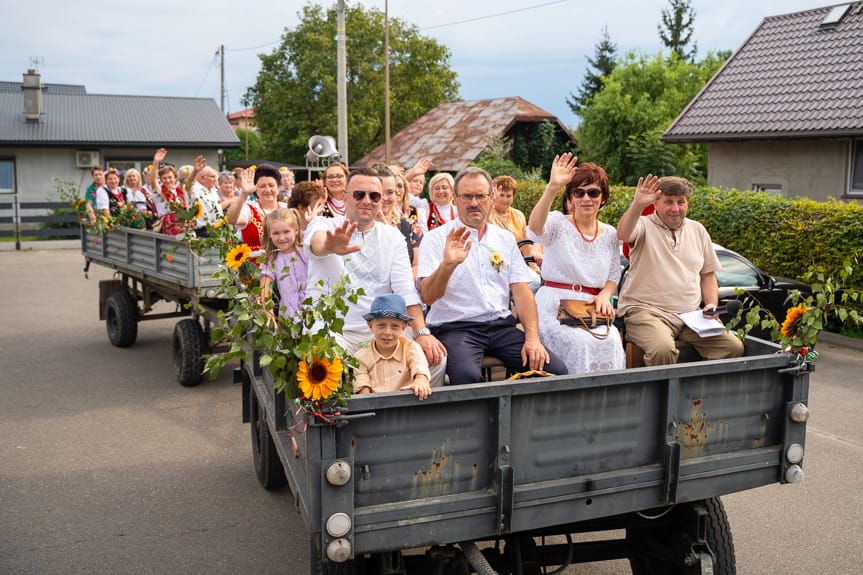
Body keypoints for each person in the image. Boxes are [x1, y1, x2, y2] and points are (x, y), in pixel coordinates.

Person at [417, 167, 567, 384]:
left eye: (480, 196)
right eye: (466, 196)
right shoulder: (436, 239)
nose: (473, 203)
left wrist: (532, 338)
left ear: (491, 198)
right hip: (457, 328)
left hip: (500, 327)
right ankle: (484, 418)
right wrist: (448, 265)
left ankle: (520, 417)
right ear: (455, 199)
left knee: (554, 371)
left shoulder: (504, 239)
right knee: (466, 379)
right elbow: (427, 296)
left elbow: (522, 292)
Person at [304, 166, 448, 386]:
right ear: (345, 197)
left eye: (374, 195)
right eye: (359, 194)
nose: (367, 200)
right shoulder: (324, 225)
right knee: (326, 364)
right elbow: (317, 243)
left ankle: (408, 416)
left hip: (383, 330)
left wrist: (422, 332)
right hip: (334, 331)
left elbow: (406, 292)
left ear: (381, 200)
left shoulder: (393, 237)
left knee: (435, 358)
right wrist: (329, 245)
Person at [617, 175, 745, 365]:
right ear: (656, 203)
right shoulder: (644, 225)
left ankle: (696, 393)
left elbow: (708, 275)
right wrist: (637, 204)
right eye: (668, 202)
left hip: (691, 317)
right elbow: (623, 233)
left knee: (733, 347)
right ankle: (661, 395)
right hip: (646, 312)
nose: (675, 209)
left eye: (680, 202)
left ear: (688, 203)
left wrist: (711, 304)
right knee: (663, 350)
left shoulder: (698, 229)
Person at [527, 154, 626, 373]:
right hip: (554, 305)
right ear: (571, 198)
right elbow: (533, 229)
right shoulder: (556, 223)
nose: (586, 198)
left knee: (613, 342)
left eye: (593, 192)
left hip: (590, 307)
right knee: (579, 344)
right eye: (578, 193)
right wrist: (552, 187)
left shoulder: (610, 233)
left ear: (604, 197)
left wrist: (604, 295)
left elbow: (613, 276)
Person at [353, 293, 432, 400]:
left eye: (395, 327)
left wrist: (420, 380)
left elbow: (420, 368)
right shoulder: (361, 357)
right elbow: (364, 392)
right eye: (381, 325)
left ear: (404, 327)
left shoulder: (411, 348)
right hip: (376, 408)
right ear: (370, 326)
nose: (387, 332)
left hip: (406, 406)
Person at [225, 163, 286, 253]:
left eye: (271, 185)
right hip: (255, 264)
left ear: (278, 188)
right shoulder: (249, 208)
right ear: (256, 190)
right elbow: (231, 220)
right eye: (262, 186)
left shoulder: (286, 208)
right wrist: (244, 194)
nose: (267, 190)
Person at [260, 208, 307, 321]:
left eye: (286, 232)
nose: (281, 237)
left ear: (296, 230)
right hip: (289, 316)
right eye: (276, 233)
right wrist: (269, 313)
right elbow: (265, 288)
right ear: (270, 235)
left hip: (313, 309)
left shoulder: (306, 251)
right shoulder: (271, 259)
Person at [376, 165, 422, 277]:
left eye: (390, 192)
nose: (385, 198)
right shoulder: (357, 226)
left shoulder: (410, 227)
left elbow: (417, 265)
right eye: (379, 192)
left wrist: (400, 285)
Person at [490, 175, 542, 275]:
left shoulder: (518, 215)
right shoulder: (487, 213)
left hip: (514, 262)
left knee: (535, 281)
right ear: (494, 195)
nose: (504, 199)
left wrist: (534, 266)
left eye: (508, 196)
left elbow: (524, 244)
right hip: (492, 261)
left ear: (514, 197)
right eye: (501, 195)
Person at [146, 148, 188, 236]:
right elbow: (153, 179)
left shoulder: (180, 191)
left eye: (170, 177)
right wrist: (156, 162)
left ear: (175, 178)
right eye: (164, 178)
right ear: (161, 179)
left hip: (183, 224)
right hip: (168, 225)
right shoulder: (159, 191)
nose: (168, 180)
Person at [185, 156, 224, 237]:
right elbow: (188, 185)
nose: (216, 179)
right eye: (213, 177)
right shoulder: (195, 189)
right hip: (203, 232)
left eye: (216, 176)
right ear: (203, 178)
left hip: (218, 229)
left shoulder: (213, 189)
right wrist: (195, 171)